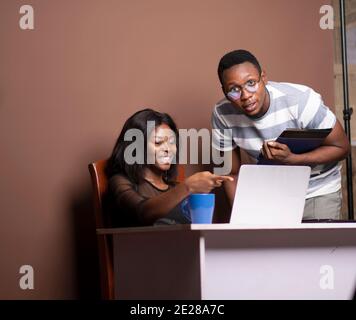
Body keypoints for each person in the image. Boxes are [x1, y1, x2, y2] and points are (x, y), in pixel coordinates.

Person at [212, 49, 350, 220]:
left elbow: (342, 147)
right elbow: (230, 173)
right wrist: (242, 215)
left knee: (317, 246)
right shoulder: (222, 113)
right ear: (224, 91)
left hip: (316, 189)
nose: (246, 95)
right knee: (270, 246)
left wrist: (292, 159)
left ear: (263, 78)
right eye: (234, 89)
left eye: (251, 83)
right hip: (270, 193)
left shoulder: (300, 100)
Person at [106, 108, 233, 227]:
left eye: (172, 142)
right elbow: (143, 214)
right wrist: (188, 187)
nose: (168, 149)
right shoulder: (120, 182)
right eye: (158, 142)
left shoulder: (175, 188)